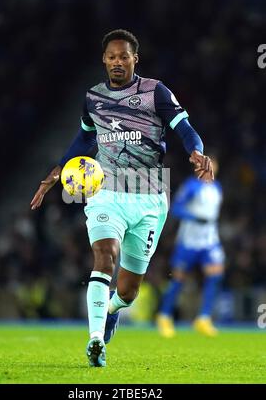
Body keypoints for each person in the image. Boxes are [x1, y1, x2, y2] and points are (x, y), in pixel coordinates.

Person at [30, 29, 214, 367]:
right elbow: (84, 141)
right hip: (107, 192)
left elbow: (185, 129)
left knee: (128, 292)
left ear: (134, 59)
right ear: (104, 59)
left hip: (149, 198)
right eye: (112, 56)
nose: (117, 61)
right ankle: (96, 340)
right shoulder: (93, 98)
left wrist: (198, 153)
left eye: (124, 56)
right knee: (104, 257)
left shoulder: (155, 92)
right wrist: (52, 176)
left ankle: (113, 309)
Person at [156, 157, 224, 337]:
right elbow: (176, 208)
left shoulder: (216, 188)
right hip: (189, 240)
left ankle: (203, 318)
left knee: (216, 274)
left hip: (209, 241)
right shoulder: (192, 186)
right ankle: (164, 316)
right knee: (178, 279)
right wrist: (194, 217)